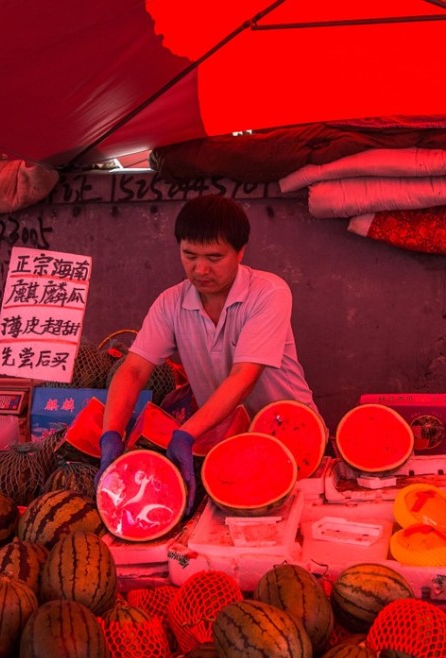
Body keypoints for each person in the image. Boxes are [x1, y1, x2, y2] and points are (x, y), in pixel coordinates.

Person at [99, 195, 316, 512]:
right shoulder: (170, 303)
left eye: (214, 257)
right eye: (189, 255)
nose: (200, 269)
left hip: (292, 436)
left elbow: (244, 377)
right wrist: (110, 436)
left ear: (240, 252)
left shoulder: (269, 293)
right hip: (223, 444)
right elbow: (133, 370)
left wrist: (185, 435)